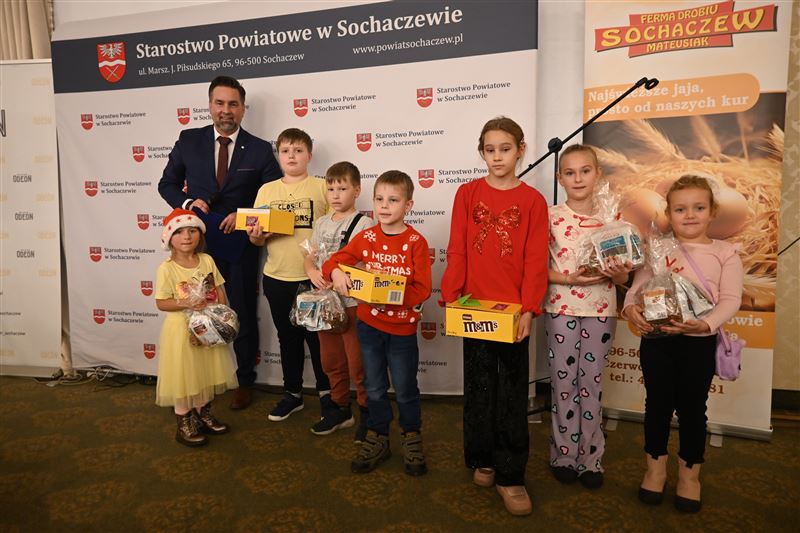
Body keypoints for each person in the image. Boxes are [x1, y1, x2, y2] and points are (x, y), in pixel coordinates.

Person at [439, 117, 548, 516]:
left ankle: (511, 474)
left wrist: (529, 308)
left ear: (521, 149)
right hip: (474, 309)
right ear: (481, 152)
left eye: (505, 149)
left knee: (512, 393)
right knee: (480, 387)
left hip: (513, 313)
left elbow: (536, 259)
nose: (497, 157)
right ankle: (483, 458)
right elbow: (457, 248)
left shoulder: (533, 201)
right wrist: (451, 296)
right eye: (490, 150)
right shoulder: (467, 193)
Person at [158, 75, 281, 411]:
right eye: (220, 103)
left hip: (240, 246)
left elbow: (275, 198)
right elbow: (167, 185)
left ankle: (244, 380)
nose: (226, 110)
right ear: (210, 105)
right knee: (195, 312)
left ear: (243, 109)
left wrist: (245, 216)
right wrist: (188, 203)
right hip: (194, 247)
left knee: (241, 311)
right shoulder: (189, 140)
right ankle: (201, 383)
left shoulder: (260, 149)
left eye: (233, 104)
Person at [622, 175, 743, 513]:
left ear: (712, 212)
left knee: (693, 409)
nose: (689, 215)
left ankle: (690, 475)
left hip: (698, 344)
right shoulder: (659, 250)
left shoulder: (725, 253)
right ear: (669, 214)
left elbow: (731, 299)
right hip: (658, 342)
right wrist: (631, 308)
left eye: (698, 208)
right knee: (657, 406)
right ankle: (655, 469)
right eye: (680, 209)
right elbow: (637, 287)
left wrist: (705, 324)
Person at [322, 170, 432, 476]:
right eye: (379, 199)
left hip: (402, 331)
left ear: (408, 205)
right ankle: (379, 434)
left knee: (406, 388)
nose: (384, 206)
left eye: (393, 200)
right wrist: (336, 272)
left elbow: (422, 289)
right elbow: (332, 261)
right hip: (369, 327)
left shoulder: (416, 242)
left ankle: (411, 435)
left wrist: (390, 295)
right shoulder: (367, 237)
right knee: (373, 386)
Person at [544, 144, 633, 489]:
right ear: (560, 178)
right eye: (570, 172)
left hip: (600, 311)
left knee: (591, 383)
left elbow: (624, 277)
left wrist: (619, 272)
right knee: (563, 383)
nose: (578, 178)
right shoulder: (551, 216)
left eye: (585, 171)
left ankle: (591, 458)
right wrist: (569, 279)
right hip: (560, 309)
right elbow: (537, 267)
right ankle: (564, 454)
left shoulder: (612, 218)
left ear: (598, 174)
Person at [247, 128, 333, 426]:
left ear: (309, 155)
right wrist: (258, 235)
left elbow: (337, 228)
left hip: (314, 279)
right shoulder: (266, 190)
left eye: (298, 150)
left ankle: (328, 395)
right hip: (277, 276)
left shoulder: (322, 187)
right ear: (278, 155)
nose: (292, 156)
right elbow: (256, 239)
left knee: (319, 340)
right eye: (285, 151)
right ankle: (292, 394)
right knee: (288, 338)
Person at [154, 208, 238, 447]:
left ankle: (203, 414)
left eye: (192, 230)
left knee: (205, 371)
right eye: (179, 232)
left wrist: (221, 314)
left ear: (200, 234)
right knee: (184, 377)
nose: (187, 236)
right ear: (169, 237)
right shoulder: (167, 268)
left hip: (207, 328)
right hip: (180, 331)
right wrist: (186, 302)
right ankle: (184, 422)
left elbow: (219, 289)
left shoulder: (207, 260)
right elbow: (161, 302)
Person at [304, 161, 374, 439]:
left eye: (342, 189)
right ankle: (340, 407)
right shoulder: (321, 222)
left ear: (357, 190)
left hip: (353, 304)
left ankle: (368, 413)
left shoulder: (364, 223)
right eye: (331, 188)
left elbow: (362, 262)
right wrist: (311, 270)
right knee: (331, 360)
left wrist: (335, 274)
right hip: (325, 306)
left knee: (358, 363)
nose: (335, 194)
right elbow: (311, 255)